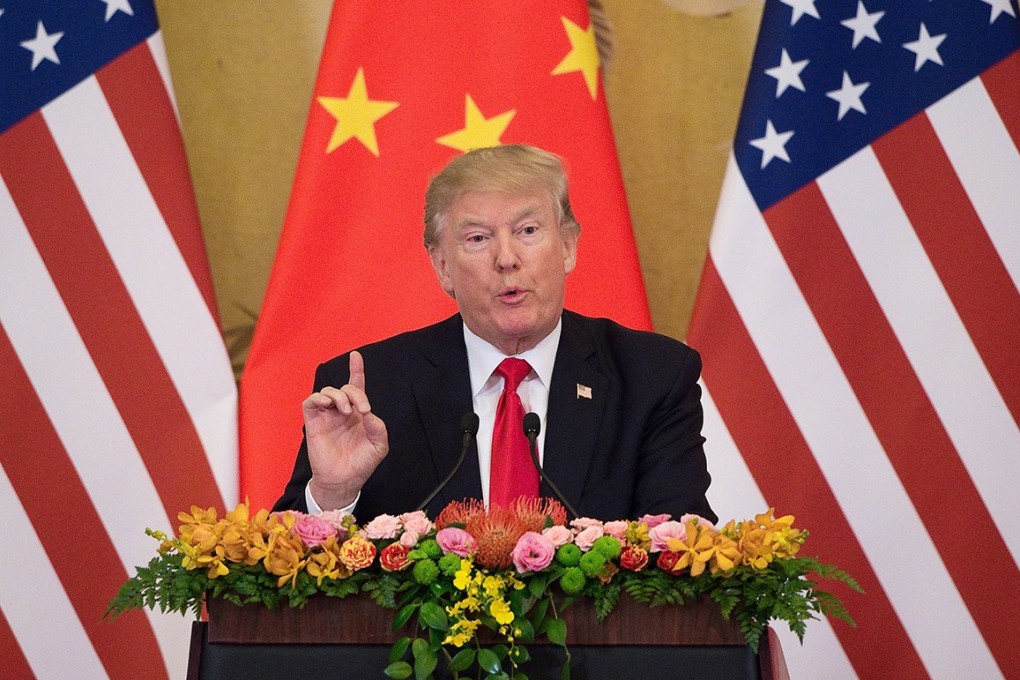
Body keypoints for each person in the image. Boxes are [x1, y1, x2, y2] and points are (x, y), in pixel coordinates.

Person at [273, 144, 716, 523]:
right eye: (478, 238)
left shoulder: (652, 377)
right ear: (443, 266)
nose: (507, 258)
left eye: (527, 231)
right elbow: (275, 576)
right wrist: (333, 495)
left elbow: (683, 550)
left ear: (567, 247)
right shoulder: (372, 389)